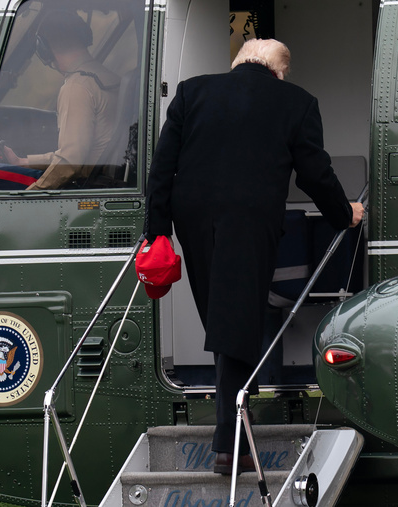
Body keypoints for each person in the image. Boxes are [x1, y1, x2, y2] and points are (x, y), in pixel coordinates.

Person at [145, 38, 364, 475]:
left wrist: (157, 233)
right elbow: (315, 172)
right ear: (280, 72)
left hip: (193, 222)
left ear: (238, 62)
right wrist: (344, 214)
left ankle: (235, 436)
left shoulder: (192, 91)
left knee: (225, 321)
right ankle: (231, 444)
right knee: (236, 324)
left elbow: (162, 165)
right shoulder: (296, 102)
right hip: (248, 223)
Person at [0, 13, 120, 190]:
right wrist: (23, 162)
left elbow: (70, 161)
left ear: (44, 48)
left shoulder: (77, 86)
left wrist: (31, 194)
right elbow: (74, 153)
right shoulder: (107, 76)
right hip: (103, 179)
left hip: (88, 187)